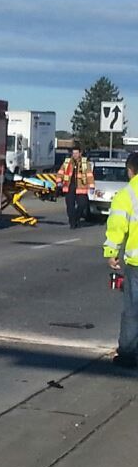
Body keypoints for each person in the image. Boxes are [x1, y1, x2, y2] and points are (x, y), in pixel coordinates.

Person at [103, 152, 138, 368]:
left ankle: (127, 354)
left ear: (130, 170)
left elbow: (117, 227)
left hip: (137, 263)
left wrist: (111, 252)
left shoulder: (127, 194)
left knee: (133, 310)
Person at [56, 143, 95, 229]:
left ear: (80, 153)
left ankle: (76, 219)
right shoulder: (67, 162)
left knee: (82, 204)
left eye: (76, 153)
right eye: (73, 153)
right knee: (70, 206)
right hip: (69, 187)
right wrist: (59, 182)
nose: (75, 155)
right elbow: (60, 173)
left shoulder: (85, 163)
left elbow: (89, 175)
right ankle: (72, 223)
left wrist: (91, 186)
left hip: (81, 188)